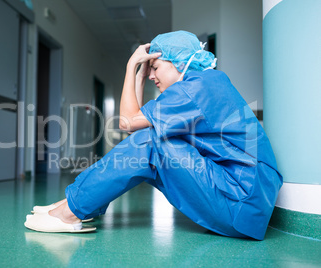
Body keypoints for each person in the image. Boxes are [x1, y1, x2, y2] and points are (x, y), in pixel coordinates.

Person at [25, 31, 283, 240]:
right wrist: (139, 72)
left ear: (180, 63)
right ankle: (80, 204)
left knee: (150, 142)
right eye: (147, 69)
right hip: (246, 201)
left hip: (241, 204)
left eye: (155, 67)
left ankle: (71, 210)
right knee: (152, 141)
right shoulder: (205, 83)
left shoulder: (196, 89)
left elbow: (126, 121)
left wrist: (130, 66)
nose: (150, 76)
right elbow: (134, 118)